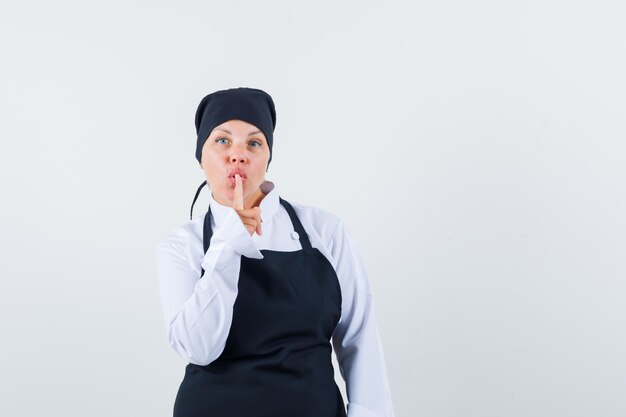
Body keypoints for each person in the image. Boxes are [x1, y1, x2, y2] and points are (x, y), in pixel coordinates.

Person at [156, 87, 395, 417]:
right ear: (201, 157)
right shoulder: (181, 246)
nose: (237, 155)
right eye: (222, 141)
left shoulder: (324, 231)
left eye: (254, 143)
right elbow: (198, 348)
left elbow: (360, 339)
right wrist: (228, 243)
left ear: (268, 158)